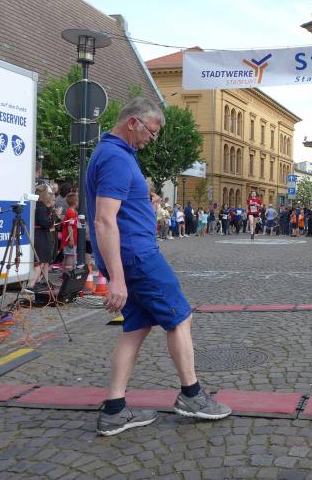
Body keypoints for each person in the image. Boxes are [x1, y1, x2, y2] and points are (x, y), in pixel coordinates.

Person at [87, 97, 230, 436]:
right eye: (151, 132)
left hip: (130, 256)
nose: (152, 139)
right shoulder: (116, 158)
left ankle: (114, 410)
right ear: (132, 122)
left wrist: (143, 200)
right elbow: (104, 220)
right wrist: (117, 278)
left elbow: (114, 211)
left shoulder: (111, 153)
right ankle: (191, 395)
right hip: (138, 257)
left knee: (136, 328)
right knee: (180, 317)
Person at [27, 186, 55, 290]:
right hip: (41, 236)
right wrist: (52, 220)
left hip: (38, 234)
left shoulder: (35, 205)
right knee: (40, 261)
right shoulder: (42, 208)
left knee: (42, 260)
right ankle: (30, 285)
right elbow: (45, 222)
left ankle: (43, 281)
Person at [60, 192, 79, 270]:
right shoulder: (71, 212)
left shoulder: (70, 211)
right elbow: (70, 226)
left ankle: (65, 272)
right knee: (70, 255)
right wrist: (71, 239)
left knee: (67, 255)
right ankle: (69, 272)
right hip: (69, 238)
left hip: (67, 237)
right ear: (75, 202)